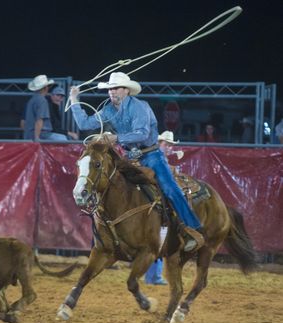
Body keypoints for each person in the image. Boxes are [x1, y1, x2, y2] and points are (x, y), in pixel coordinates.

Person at [69, 72, 205, 252]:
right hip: (130, 157)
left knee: (170, 188)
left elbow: (141, 133)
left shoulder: (140, 107)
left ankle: (192, 229)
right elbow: (84, 124)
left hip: (151, 155)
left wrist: (116, 138)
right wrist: (74, 99)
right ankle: (107, 235)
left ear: (126, 90)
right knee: (109, 185)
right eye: (110, 89)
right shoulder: (108, 110)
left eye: (116, 88)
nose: (112, 92)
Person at [145, 130, 181, 285]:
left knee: (160, 239)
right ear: (160, 143)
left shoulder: (158, 159)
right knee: (157, 239)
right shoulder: (154, 159)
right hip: (153, 205)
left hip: (158, 205)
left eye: (171, 145)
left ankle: (153, 275)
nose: (169, 147)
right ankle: (152, 276)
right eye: (167, 144)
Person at [23, 75, 68, 141]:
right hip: (42, 134)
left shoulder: (32, 100)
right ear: (46, 87)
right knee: (63, 139)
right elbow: (39, 120)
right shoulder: (42, 100)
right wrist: (37, 138)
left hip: (29, 134)